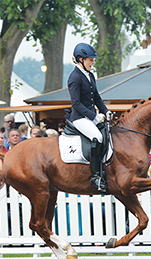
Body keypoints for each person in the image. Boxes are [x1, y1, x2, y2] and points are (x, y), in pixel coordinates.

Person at [67, 42, 110, 193]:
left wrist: (105, 111)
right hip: (79, 118)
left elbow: (97, 97)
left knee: (108, 134)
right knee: (97, 137)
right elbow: (76, 104)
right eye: (90, 60)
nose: (93, 62)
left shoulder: (90, 75)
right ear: (80, 59)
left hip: (91, 116)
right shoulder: (74, 77)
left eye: (93, 59)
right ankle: (96, 176)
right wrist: (94, 116)